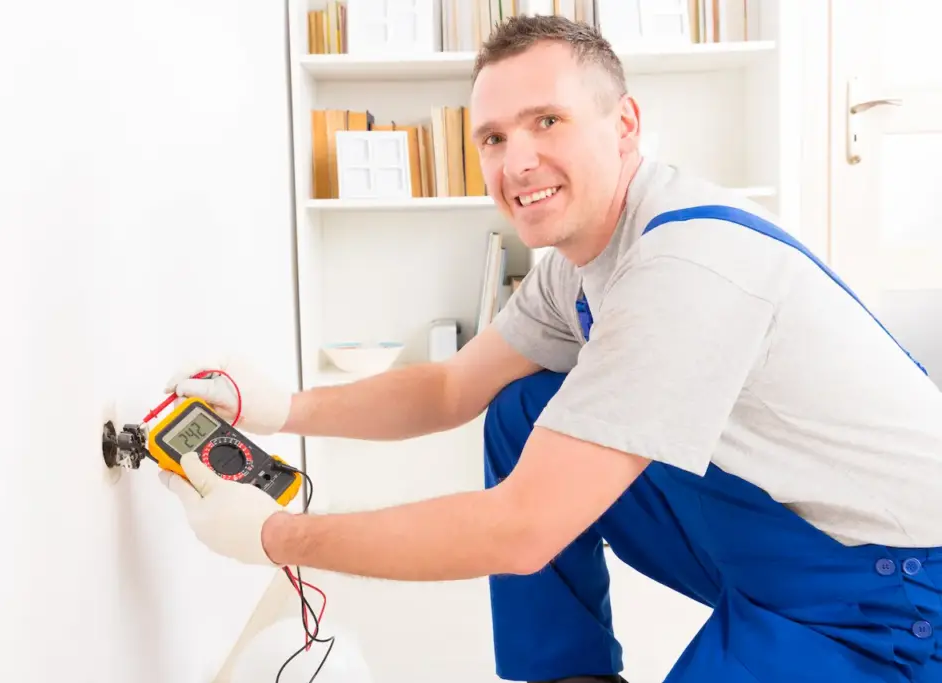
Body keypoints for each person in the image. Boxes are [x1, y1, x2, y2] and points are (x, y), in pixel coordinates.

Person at [159, 15, 942, 683]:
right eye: (493, 138)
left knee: (537, 479)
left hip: (886, 589)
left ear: (625, 123)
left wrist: (274, 536)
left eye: (547, 122)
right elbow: (448, 391)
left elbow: (521, 527)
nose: (516, 161)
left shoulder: (685, 268)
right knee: (519, 409)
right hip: (773, 526)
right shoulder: (576, 261)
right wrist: (280, 407)